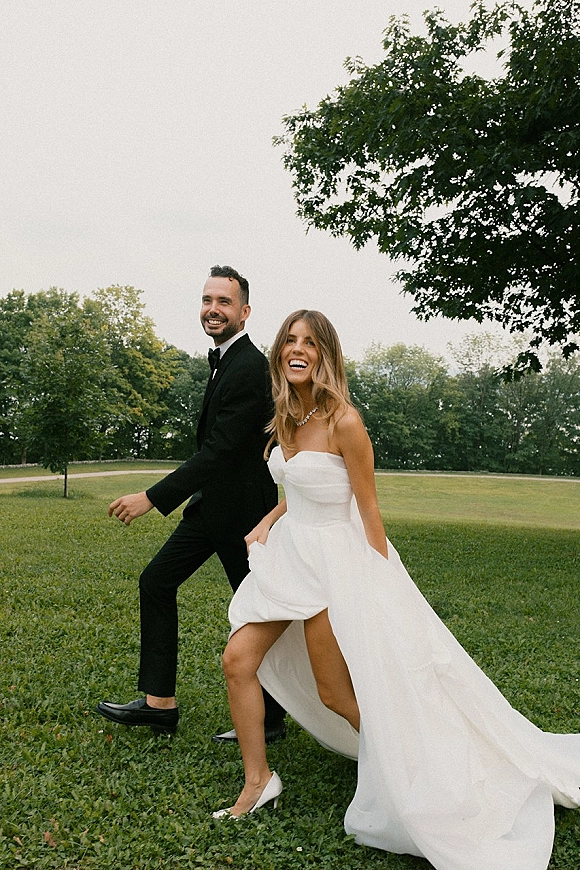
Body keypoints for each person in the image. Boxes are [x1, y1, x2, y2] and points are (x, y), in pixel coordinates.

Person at [212, 309, 580, 870]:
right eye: (290, 340)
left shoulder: (345, 421)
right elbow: (301, 489)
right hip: (288, 558)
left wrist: (382, 581)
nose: (297, 349)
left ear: (325, 354)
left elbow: (366, 506)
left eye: (309, 342)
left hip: (335, 567)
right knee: (238, 660)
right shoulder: (286, 414)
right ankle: (258, 780)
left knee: (336, 694)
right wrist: (268, 520)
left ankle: (418, 768)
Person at [96, 265, 285, 742]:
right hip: (210, 510)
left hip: (245, 517)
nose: (212, 309)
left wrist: (151, 497)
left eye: (224, 302)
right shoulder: (226, 360)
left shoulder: (249, 367)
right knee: (157, 581)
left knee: (261, 611)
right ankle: (159, 704)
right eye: (207, 300)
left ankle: (272, 719)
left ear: (245, 311)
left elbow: (219, 452)